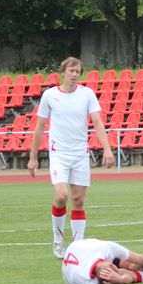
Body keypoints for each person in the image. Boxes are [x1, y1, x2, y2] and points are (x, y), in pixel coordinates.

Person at [27, 57, 115, 259]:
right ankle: (58, 241)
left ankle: (77, 248)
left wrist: (107, 149)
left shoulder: (87, 94)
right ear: (63, 72)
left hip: (80, 154)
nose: (74, 74)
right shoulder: (50, 95)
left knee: (78, 199)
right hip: (59, 154)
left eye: (78, 71)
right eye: (71, 70)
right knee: (60, 196)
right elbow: (40, 126)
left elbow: (97, 122)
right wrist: (33, 157)